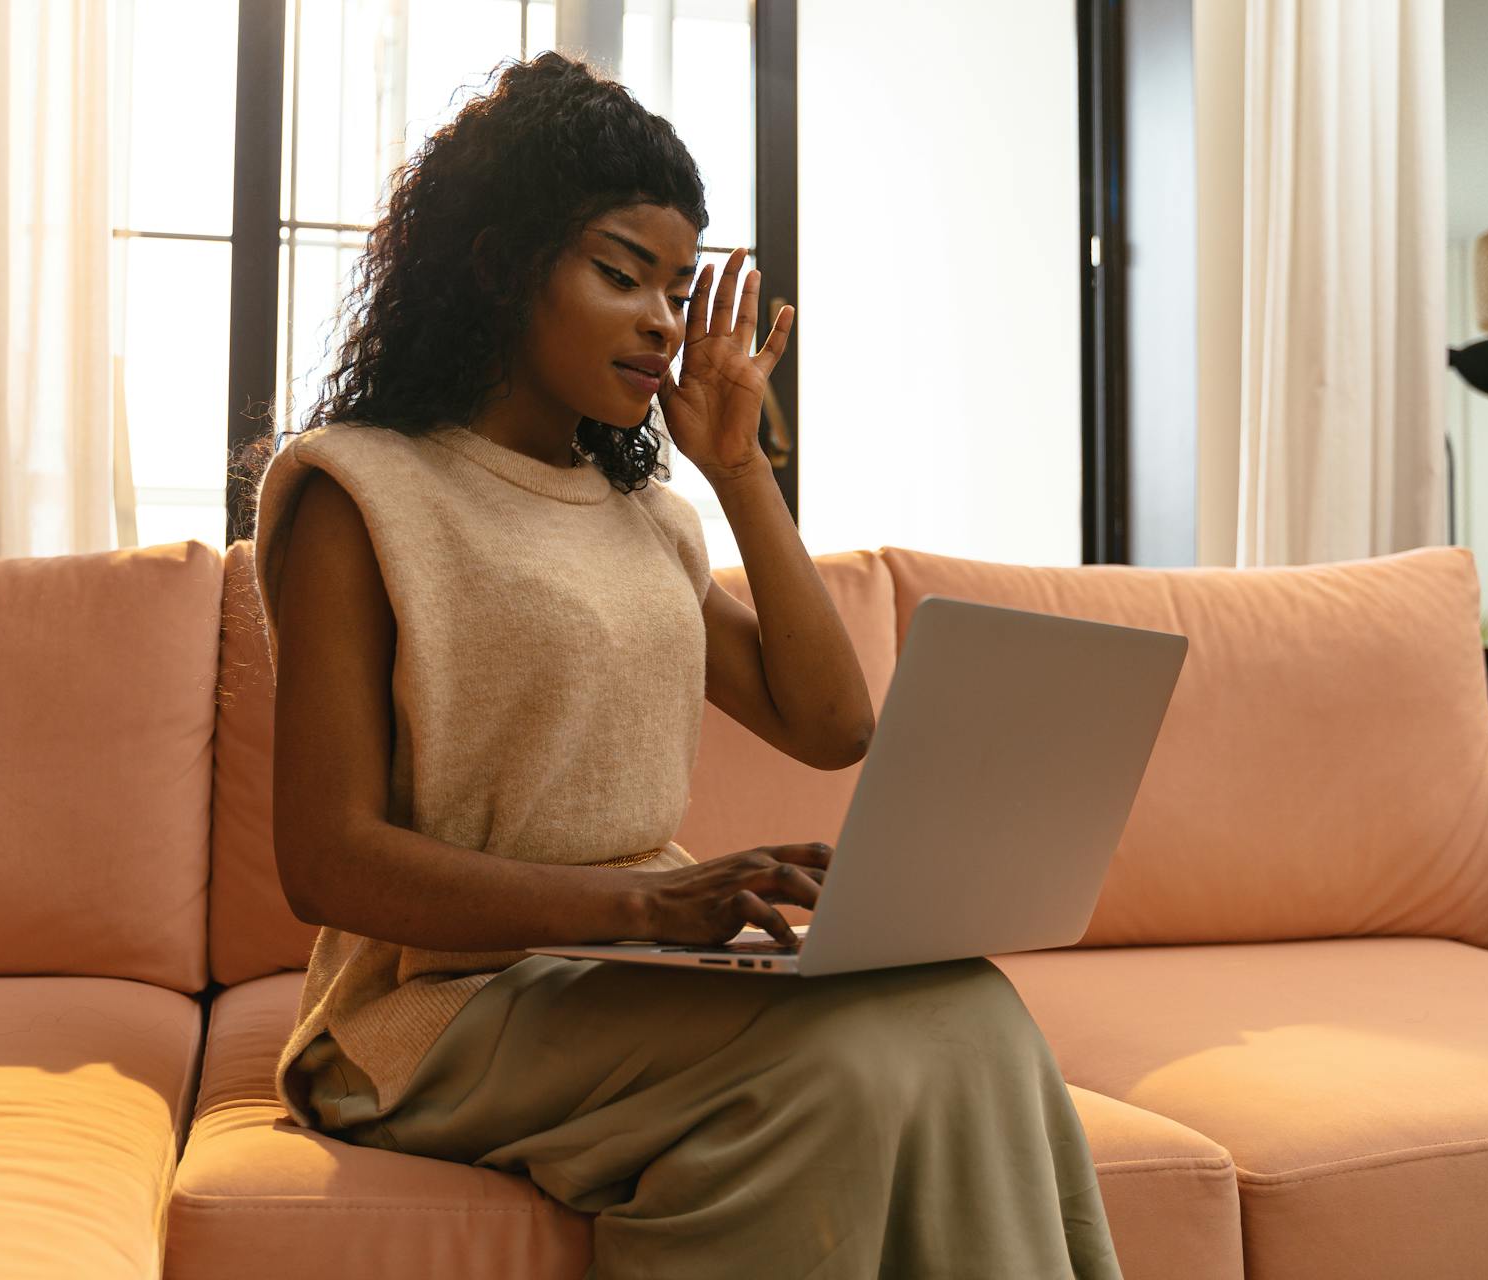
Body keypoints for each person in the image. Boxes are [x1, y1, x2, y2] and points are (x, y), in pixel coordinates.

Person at [238, 50, 1124, 1280]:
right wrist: (650, 905)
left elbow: (832, 721)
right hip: (433, 1011)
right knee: (834, 1066)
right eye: (620, 273)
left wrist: (741, 466)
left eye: (677, 285)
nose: (664, 321)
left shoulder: (645, 516)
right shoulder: (358, 490)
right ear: (499, 264)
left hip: (634, 963)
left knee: (970, 1006)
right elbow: (325, 860)